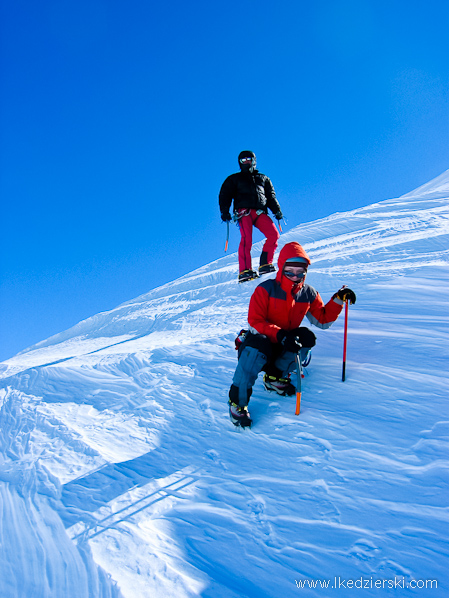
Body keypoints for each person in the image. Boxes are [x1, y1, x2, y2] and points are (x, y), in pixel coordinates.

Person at [228, 241, 356, 427]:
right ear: (282, 267)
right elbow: (255, 321)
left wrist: (338, 299)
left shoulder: (308, 293)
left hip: (284, 344)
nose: (295, 276)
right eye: (290, 271)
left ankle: (275, 377)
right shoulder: (266, 289)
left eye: (300, 272)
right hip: (259, 344)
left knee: (306, 337)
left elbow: (322, 320)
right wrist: (280, 335)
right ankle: (237, 403)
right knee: (258, 344)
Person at [219, 150, 284, 283]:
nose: (246, 161)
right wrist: (224, 211)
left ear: (254, 161)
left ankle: (265, 264)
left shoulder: (263, 178)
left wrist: (276, 210)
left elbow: (271, 196)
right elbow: (224, 195)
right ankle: (245, 270)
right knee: (246, 238)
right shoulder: (234, 179)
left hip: (260, 212)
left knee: (273, 234)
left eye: (249, 159)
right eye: (243, 160)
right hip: (244, 212)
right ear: (240, 162)